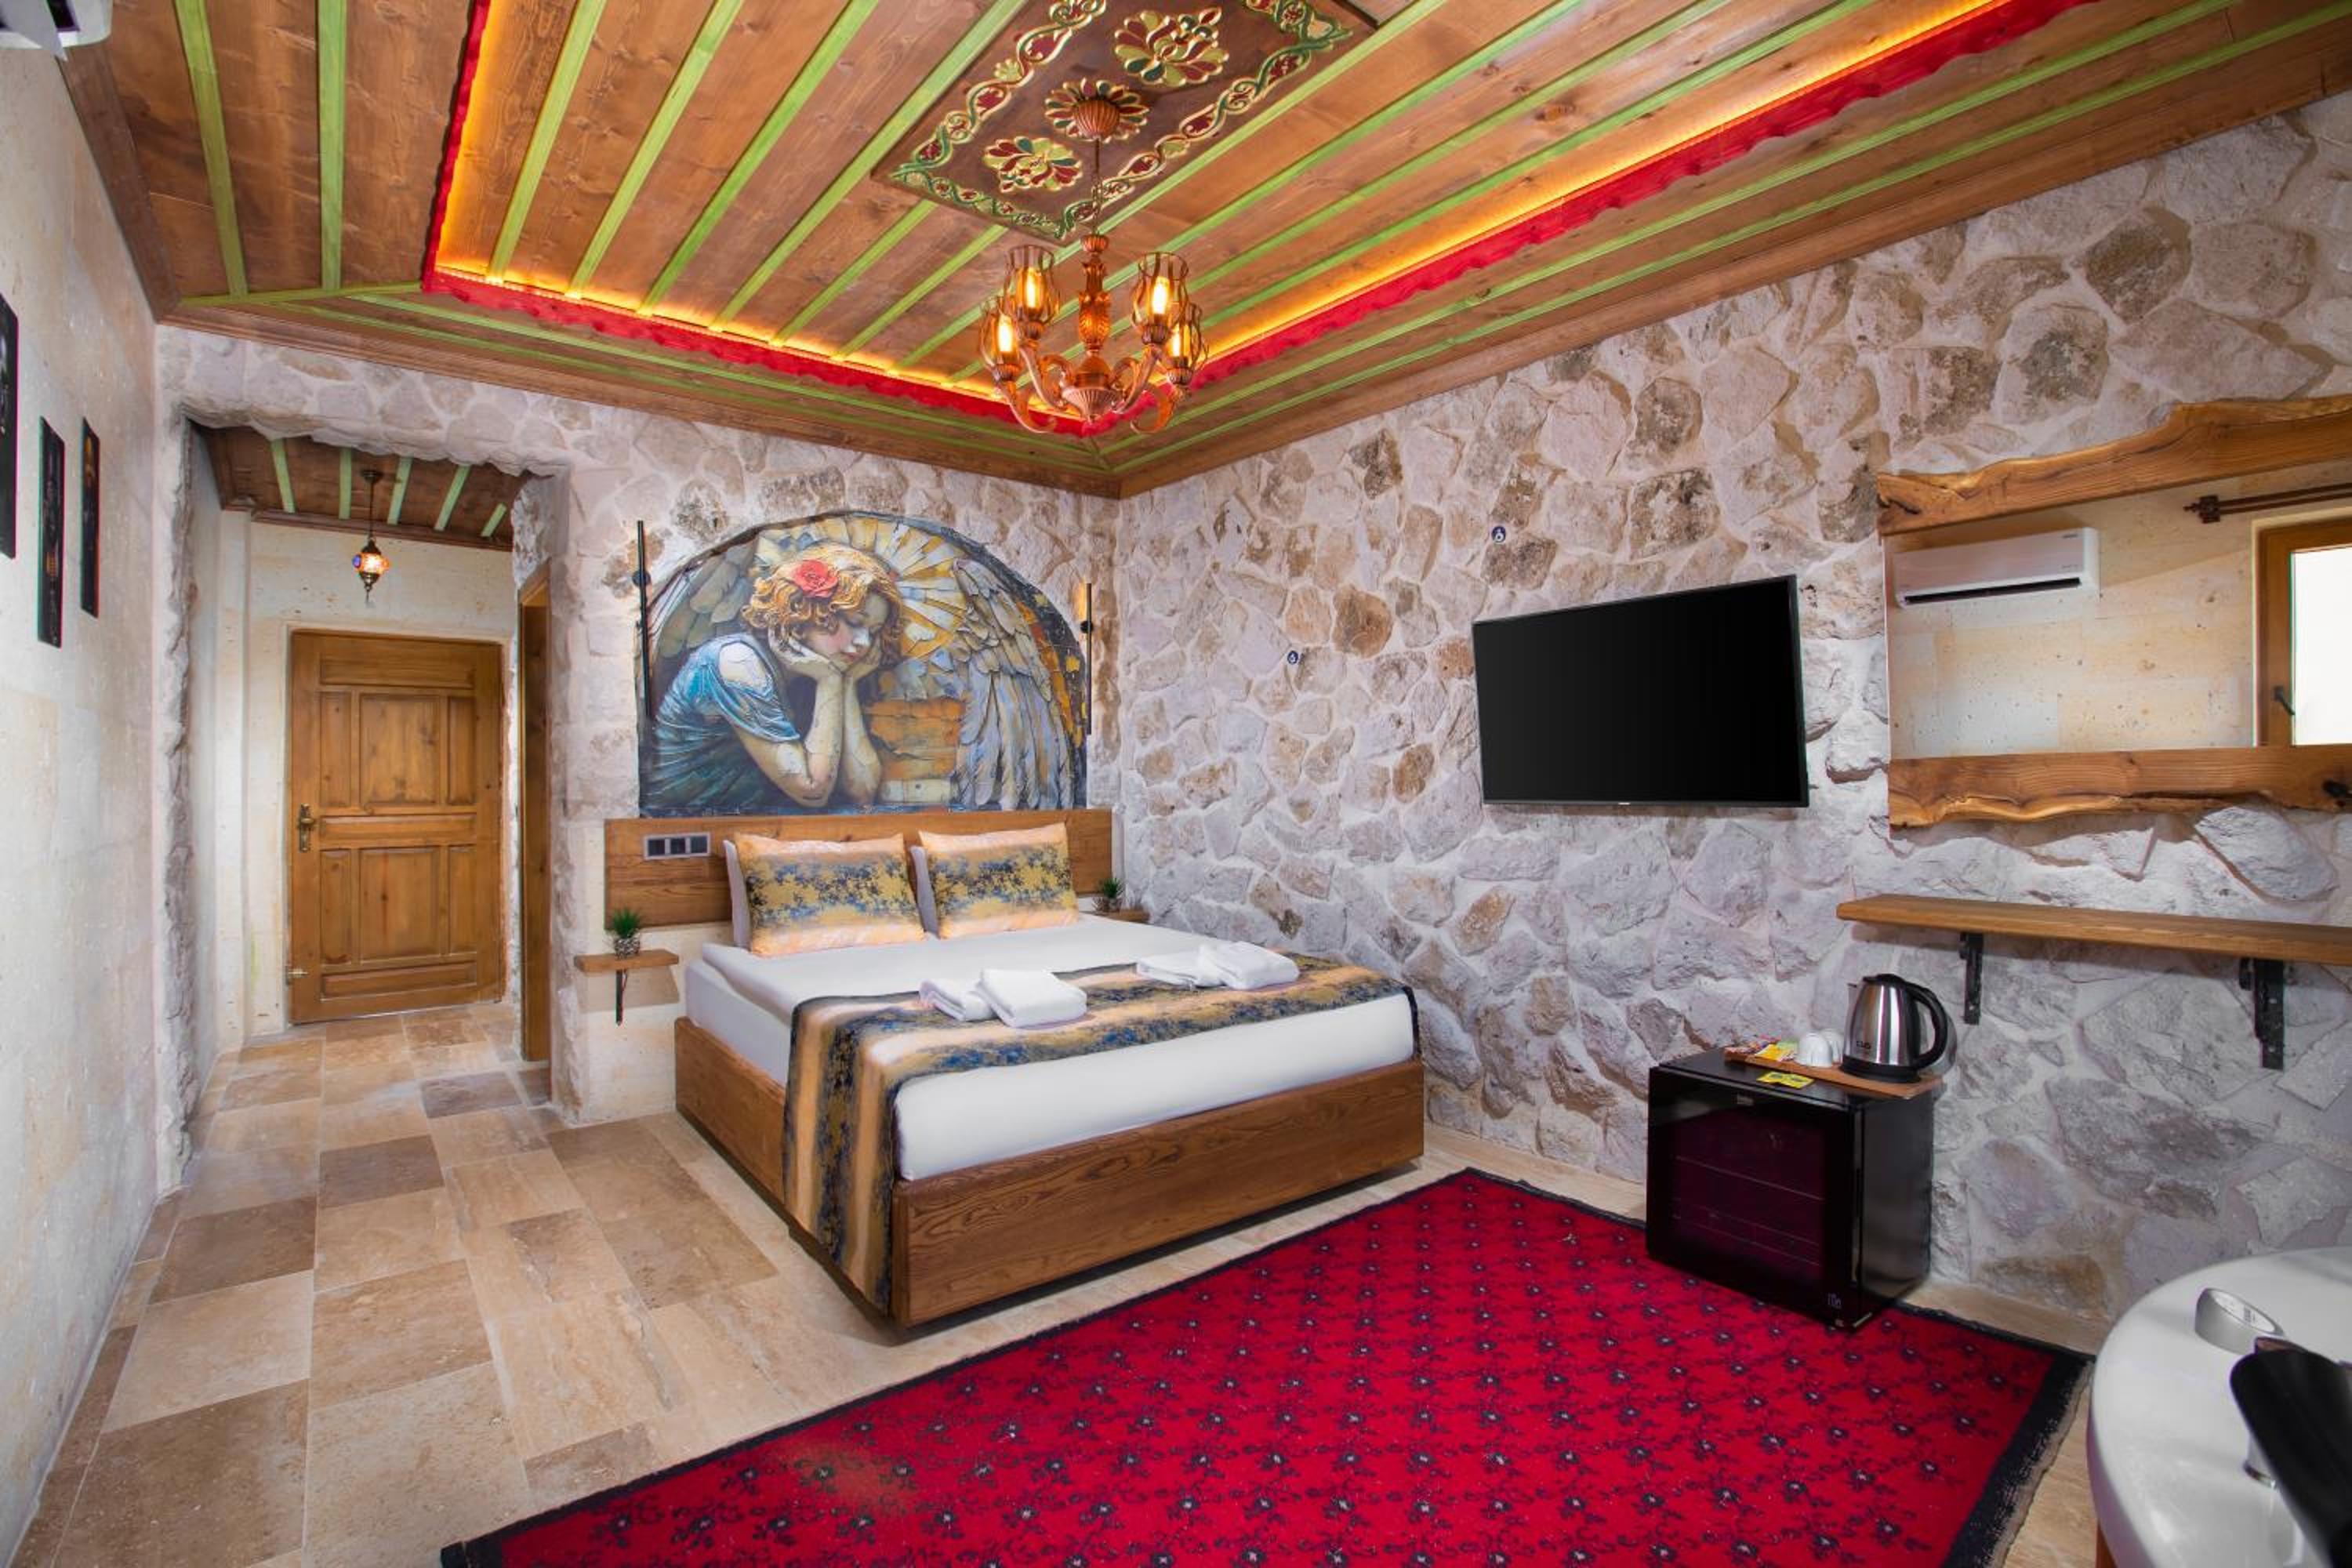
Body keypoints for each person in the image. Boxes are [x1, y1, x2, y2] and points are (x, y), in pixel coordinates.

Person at [644, 543, 902, 814]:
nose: (864, 643)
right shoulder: (737, 662)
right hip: (689, 825)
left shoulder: (813, 673)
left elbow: (862, 793)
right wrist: (829, 682)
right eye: (854, 622)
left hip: (754, 822)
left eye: (873, 631)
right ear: (805, 609)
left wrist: (845, 684)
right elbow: (813, 790)